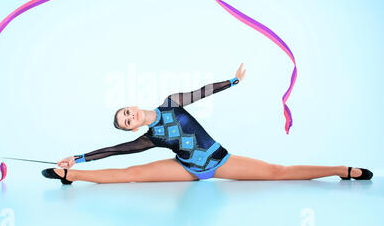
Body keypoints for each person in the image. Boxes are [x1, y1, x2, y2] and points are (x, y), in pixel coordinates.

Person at [42, 63, 372, 184]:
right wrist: (78, 157)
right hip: (185, 168)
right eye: (126, 122)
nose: (130, 118)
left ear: (133, 106)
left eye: (126, 112)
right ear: (132, 129)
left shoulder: (170, 103)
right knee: (131, 175)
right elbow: (115, 152)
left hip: (219, 161)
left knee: (277, 172)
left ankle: (341, 169)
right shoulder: (150, 137)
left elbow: (199, 93)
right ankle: (69, 175)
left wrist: (231, 82)